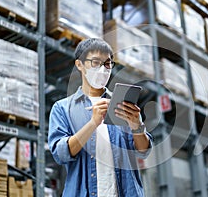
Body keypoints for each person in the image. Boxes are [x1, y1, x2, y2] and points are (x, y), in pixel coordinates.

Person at [48, 38, 153, 197]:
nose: (103, 69)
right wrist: (93, 123)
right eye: (96, 62)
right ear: (80, 65)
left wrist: (137, 125)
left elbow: (143, 151)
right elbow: (60, 153)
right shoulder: (62, 109)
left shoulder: (121, 104)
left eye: (107, 64)